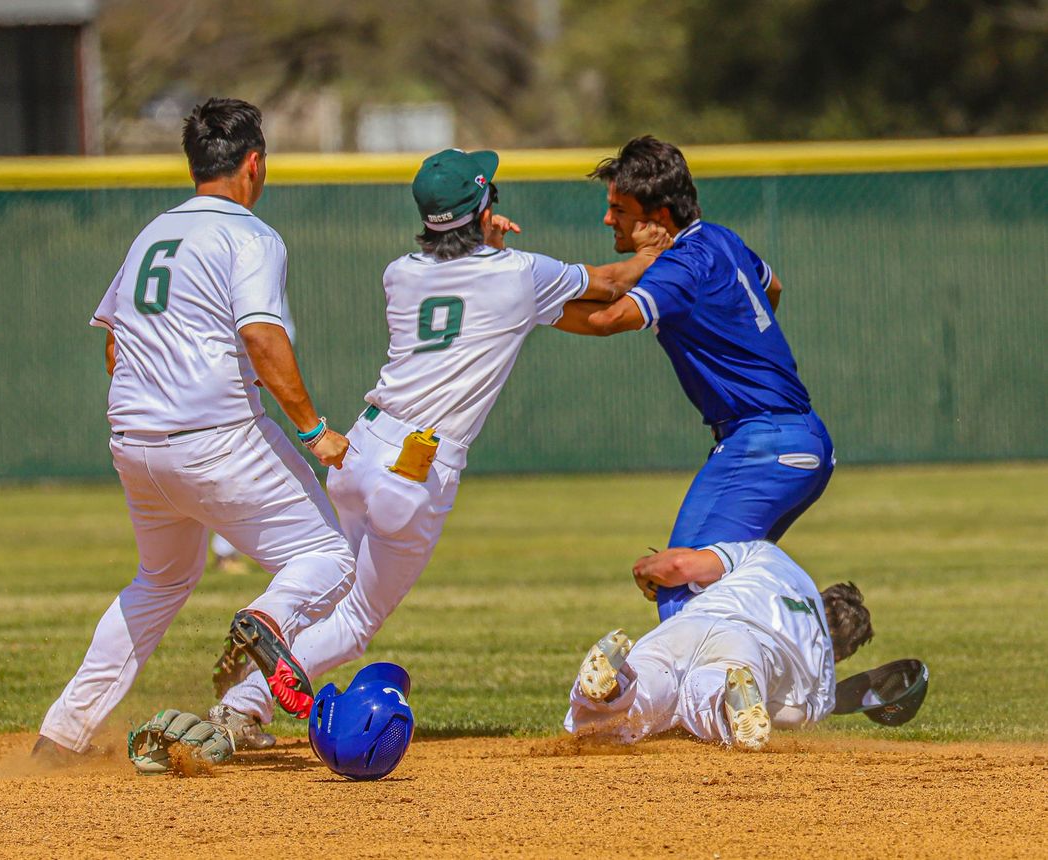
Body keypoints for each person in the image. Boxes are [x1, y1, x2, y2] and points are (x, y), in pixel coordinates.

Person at [211, 147, 672, 728]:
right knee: (355, 623)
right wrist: (656, 248)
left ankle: (269, 621)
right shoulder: (518, 273)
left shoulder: (399, 273)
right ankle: (241, 707)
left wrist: (485, 240)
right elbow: (608, 284)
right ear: (483, 208)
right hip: (415, 470)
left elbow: (476, 294)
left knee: (333, 580)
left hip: (359, 449)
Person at [31, 97, 355, 765]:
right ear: (254, 163)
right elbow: (261, 337)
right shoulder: (249, 235)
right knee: (331, 558)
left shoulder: (153, 232)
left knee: (159, 581)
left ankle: (60, 737)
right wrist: (315, 429)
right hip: (217, 439)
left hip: (136, 443)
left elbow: (116, 345)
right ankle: (267, 622)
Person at [557, 136, 835, 622]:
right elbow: (773, 285)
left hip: (760, 445)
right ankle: (810, 648)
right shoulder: (721, 239)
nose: (608, 219)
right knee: (728, 584)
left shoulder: (682, 265)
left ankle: (749, 679)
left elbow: (604, 319)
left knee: (677, 581)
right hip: (805, 440)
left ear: (658, 218)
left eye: (618, 209)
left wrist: (513, 304)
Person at [567, 540, 872, 750]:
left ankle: (617, 683)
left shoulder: (767, 555)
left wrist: (644, 569)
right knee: (704, 695)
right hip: (749, 649)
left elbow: (680, 565)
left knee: (654, 673)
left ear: (822, 595)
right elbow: (795, 717)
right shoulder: (823, 669)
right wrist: (765, 705)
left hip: (694, 621)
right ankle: (727, 703)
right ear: (842, 652)